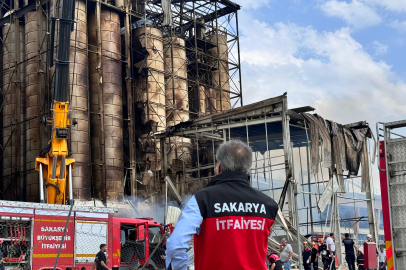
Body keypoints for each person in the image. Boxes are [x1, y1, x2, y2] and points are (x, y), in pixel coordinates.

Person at [165, 140, 279, 270]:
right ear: (248, 169)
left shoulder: (202, 199)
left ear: (218, 166)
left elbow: (176, 245)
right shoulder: (269, 205)